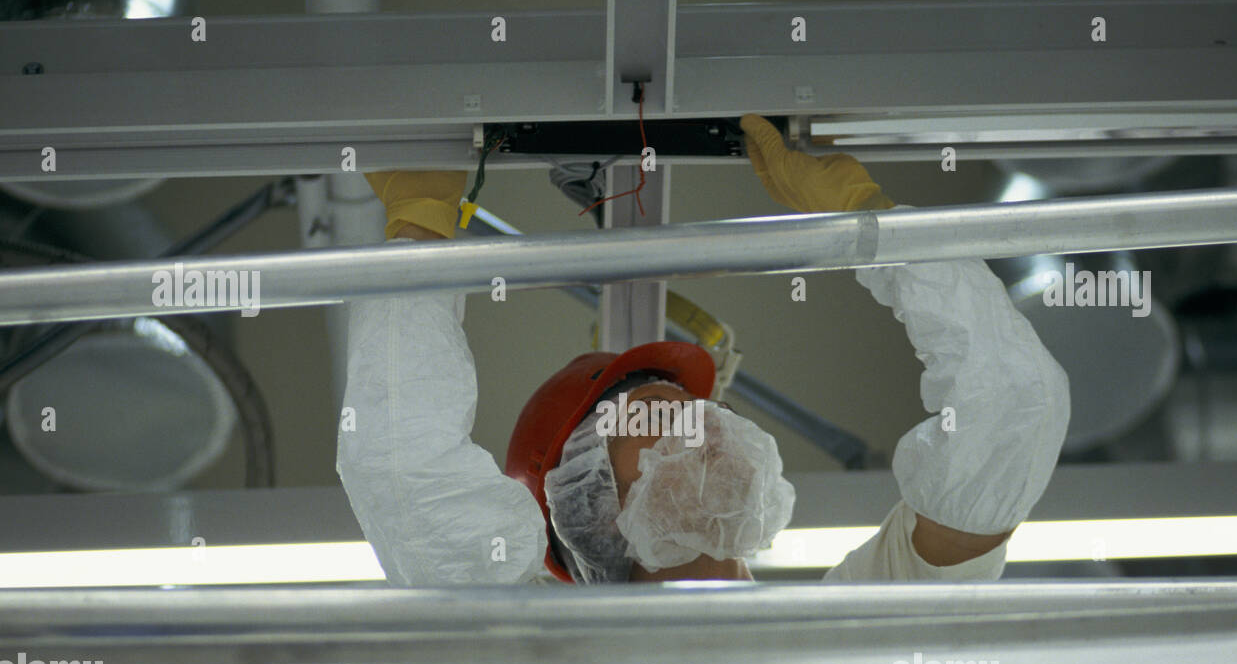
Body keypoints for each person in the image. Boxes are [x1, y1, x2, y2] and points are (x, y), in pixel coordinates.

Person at [338, 114, 1070, 586]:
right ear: (585, 507)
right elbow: (404, 475)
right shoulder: (538, 644)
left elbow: (1012, 409)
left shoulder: (846, 630)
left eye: (696, 413)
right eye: (659, 425)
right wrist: (420, 234)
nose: (704, 427)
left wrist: (869, 226)